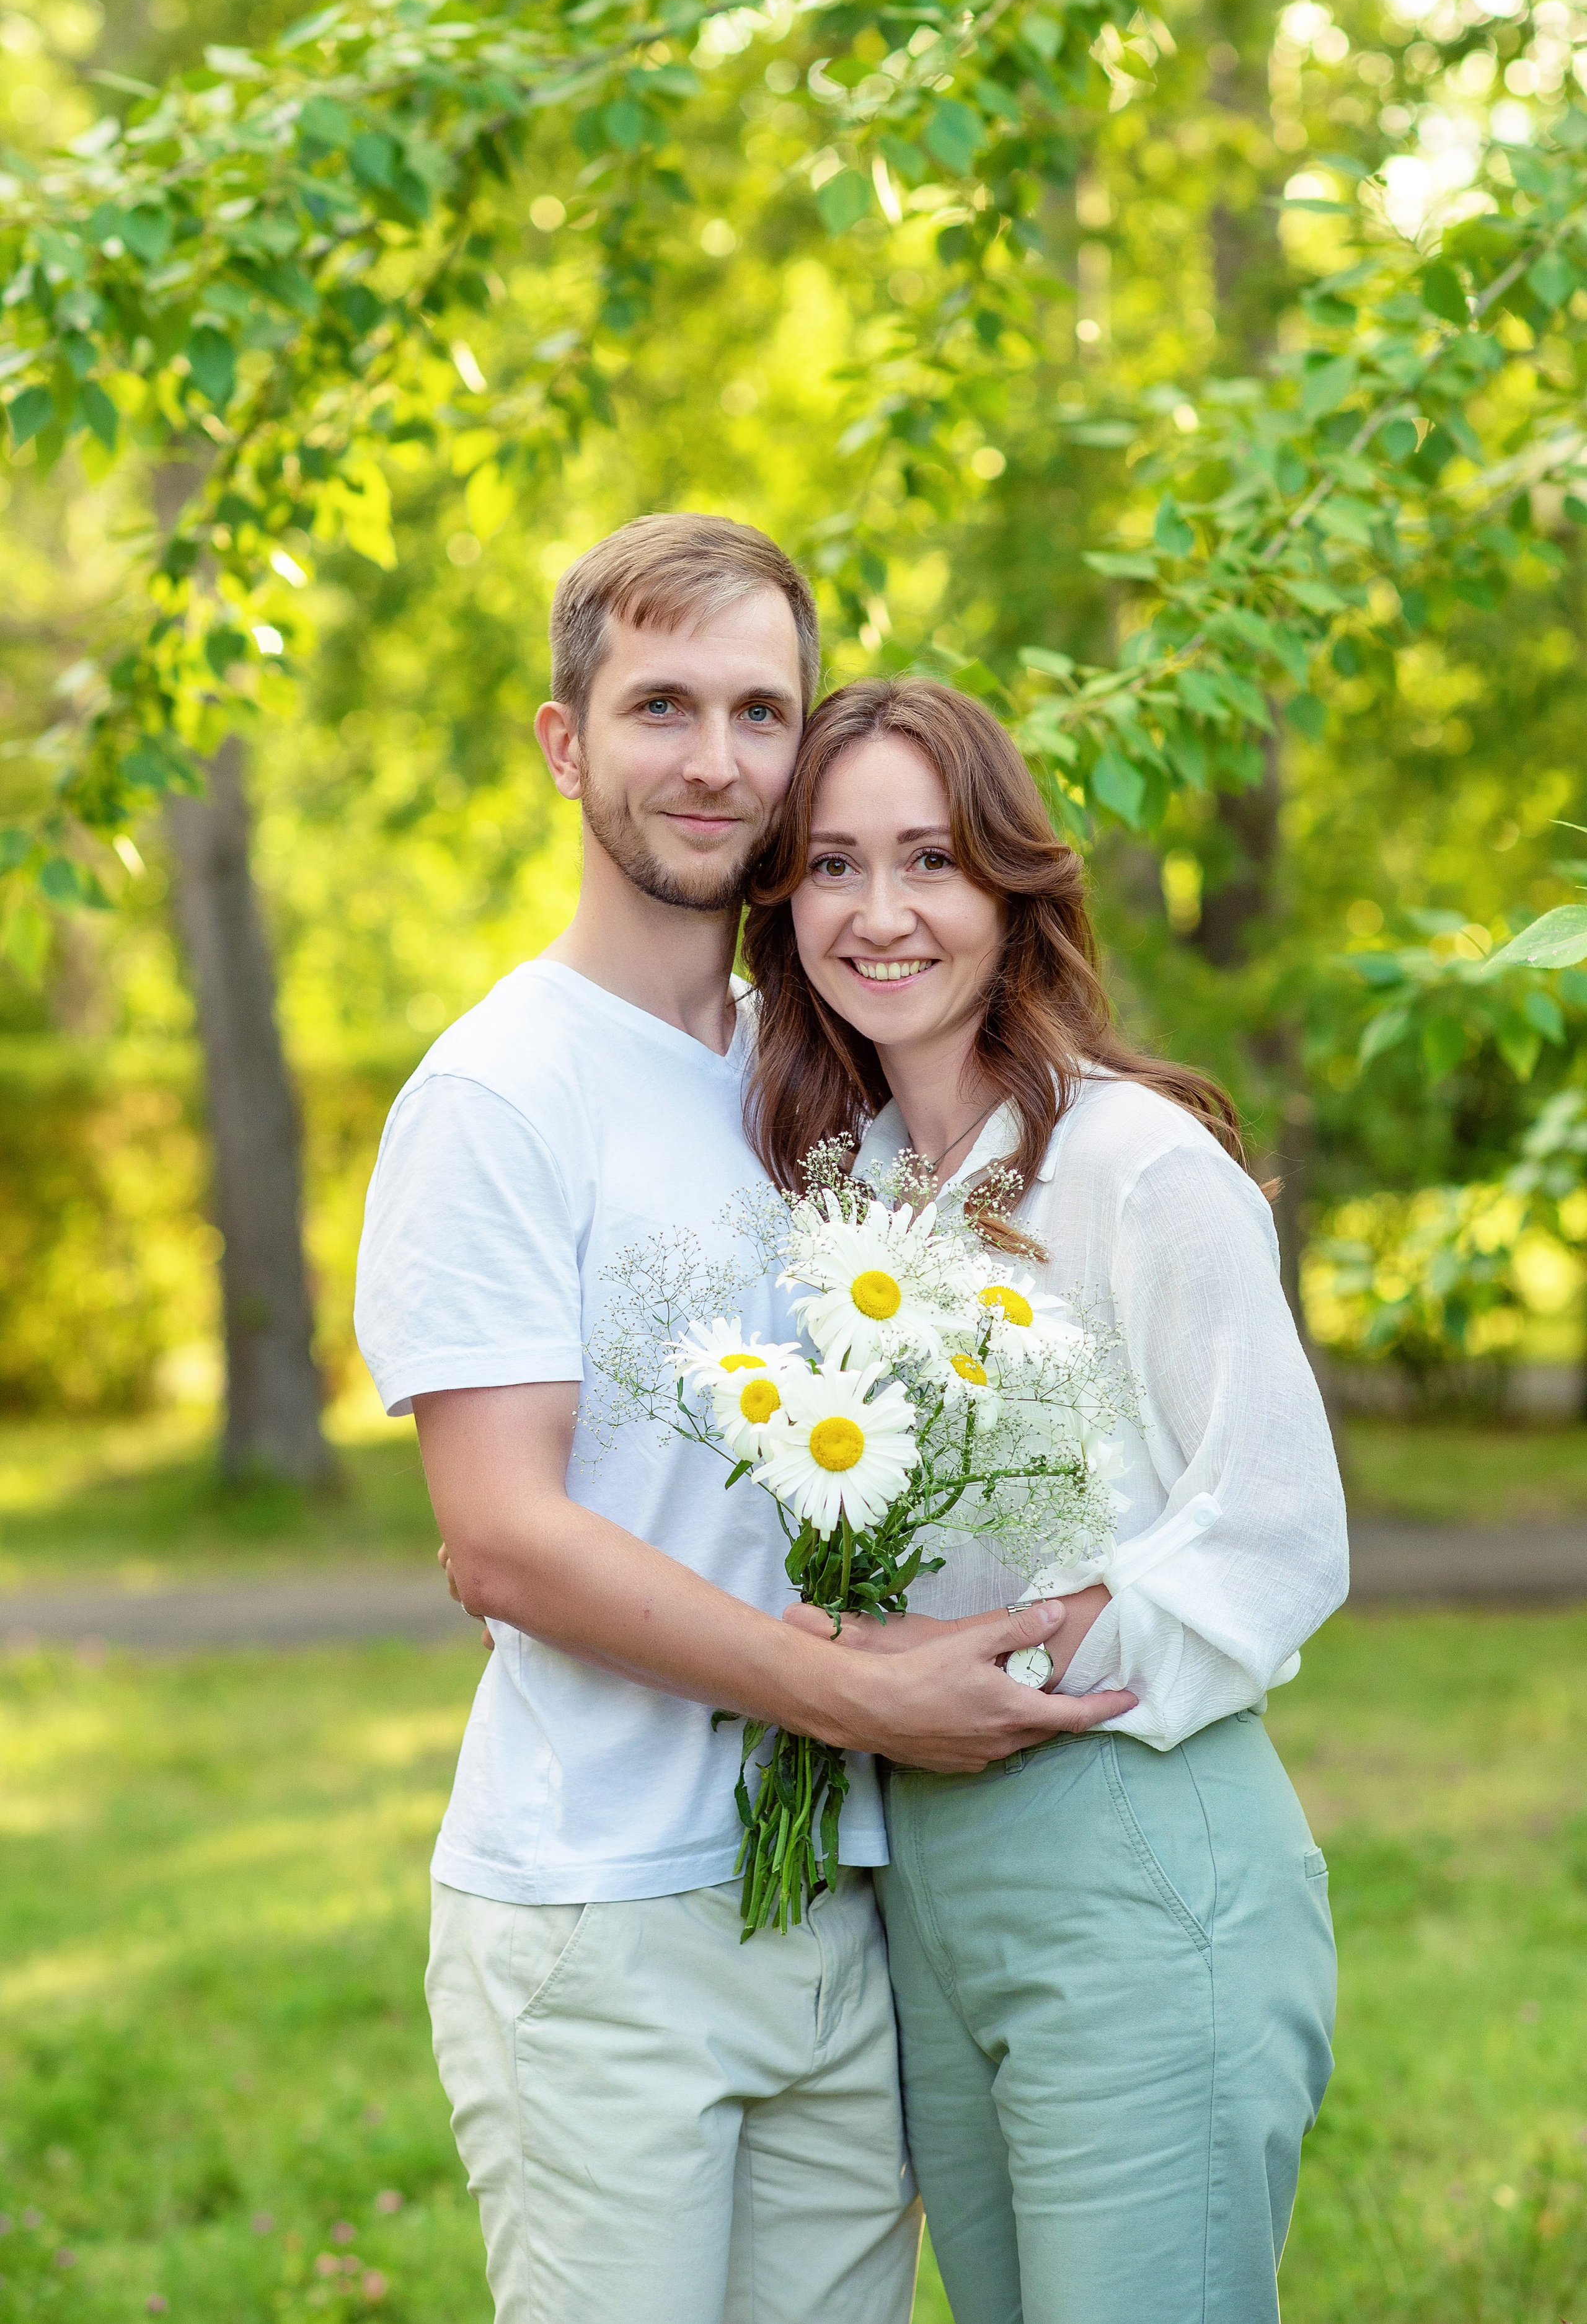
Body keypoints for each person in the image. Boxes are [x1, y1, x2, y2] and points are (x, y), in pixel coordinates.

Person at [353, 519, 1133, 2324]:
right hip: (602, 1909)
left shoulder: (811, 1072)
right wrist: (863, 1693)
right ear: (568, 742)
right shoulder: (495, 1091)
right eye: (663, 706)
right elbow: (502, 1537)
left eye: (761, 710)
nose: (716, 758)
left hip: (834, 1903)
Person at [743, 675, 1348, 2324]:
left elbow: (1280, 1523)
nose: (881, 914)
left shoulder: (1139, 1164)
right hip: (926, 1877)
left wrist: (1011, 1658)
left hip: (1136, 1847)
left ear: (1012, 889)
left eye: (930, 859)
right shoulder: (853, 1195)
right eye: (832, 866)